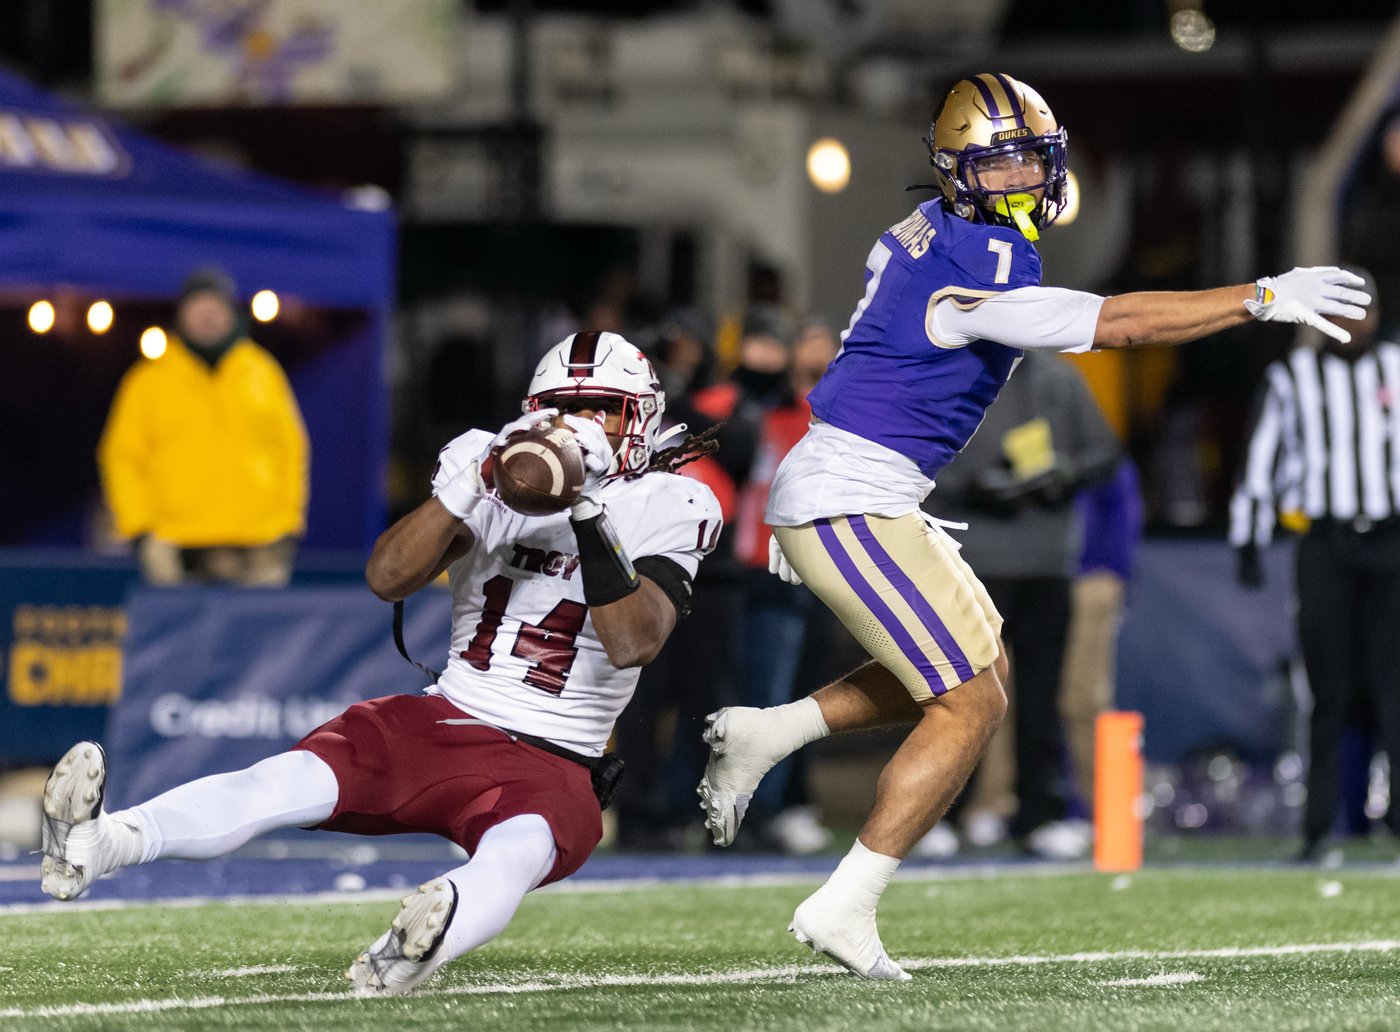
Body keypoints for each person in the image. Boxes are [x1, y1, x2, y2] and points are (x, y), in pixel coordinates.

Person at [696, 71, 1371, 981]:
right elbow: (1120, 326)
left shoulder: (938, 234)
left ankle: (768, 733)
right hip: (850, 492)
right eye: (999, 161)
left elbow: (872, 358)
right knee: (968, 703)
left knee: (987, 672)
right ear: (953, 170)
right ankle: (845, 902)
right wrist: (1257, 296)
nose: (1021, 179)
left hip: (859, 482)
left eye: (1030, 158)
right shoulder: (979, 262)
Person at [42, 331, 723, 996]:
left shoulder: (671, 501)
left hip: (556, 754)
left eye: (600, 409)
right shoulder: (484, 460)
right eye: (563, 409)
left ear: (639, 418)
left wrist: (587, 512)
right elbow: (388, 577)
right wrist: (474, 486)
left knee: (518, 849)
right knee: (281, 781)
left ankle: (427, 937)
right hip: (443, 720)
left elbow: (635, 642)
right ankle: (102, 843)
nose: (580, 427)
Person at [919, 352, 1121, 860]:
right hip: (971, 561)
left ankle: (1038, 816)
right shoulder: (952, 376)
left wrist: (1063, 475)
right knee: (958, 696)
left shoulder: (1060, 379)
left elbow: (1104, 453)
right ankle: (942, 813)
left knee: (1041, 694)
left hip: (1046, 561)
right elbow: (915, 458)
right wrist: (971, 488)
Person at [1229, 267, 1400, 861]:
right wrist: (1247, 537)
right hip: (1326, 542)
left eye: (1361, 312)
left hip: (1392, 539)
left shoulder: (1397, 369)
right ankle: (1320, 827)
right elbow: (1261, 460)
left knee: (1394, 683)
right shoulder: (1292, 377)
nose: (1353, 325)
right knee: (1327, 689)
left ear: (1376, 316)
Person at [98, 267, 308, 586]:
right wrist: (140, 528)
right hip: (176, 544)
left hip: (257, 543)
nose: (207, 317)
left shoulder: (263, 373)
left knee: (258, 634)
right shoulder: (149, 379)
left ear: (231, 313)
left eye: (215, 307)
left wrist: (288, 523)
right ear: (181, 315)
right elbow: (121, 456)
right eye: (198, 308)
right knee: (176, 634)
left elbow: (291, 449)